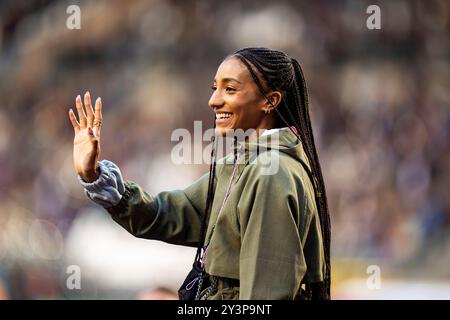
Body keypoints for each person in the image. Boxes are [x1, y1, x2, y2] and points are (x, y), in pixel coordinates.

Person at [68, 47, 331, 300]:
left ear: (269, 101)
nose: (214, 100)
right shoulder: (248, 165)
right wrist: (94, 176)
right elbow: (166, 214)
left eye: (230, 89)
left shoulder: (270, 175)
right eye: (214, 88)